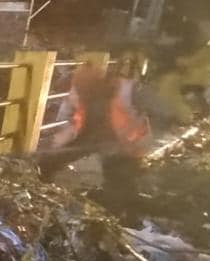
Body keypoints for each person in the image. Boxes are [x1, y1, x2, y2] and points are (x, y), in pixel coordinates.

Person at [39, 56, 152, 214]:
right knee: (117, 176)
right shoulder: (92, 95)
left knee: (118, 177)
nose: (77, 93)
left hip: (127, 144)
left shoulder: (123, 92)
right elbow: (78, 123)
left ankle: (124, 211)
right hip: (115, 141)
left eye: (78, 90)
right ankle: (45, 171)